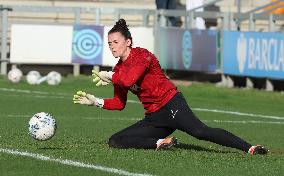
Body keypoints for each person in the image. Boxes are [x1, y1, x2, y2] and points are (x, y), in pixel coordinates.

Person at [73, 19, 268, 155]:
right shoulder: (119, 69)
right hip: (155, 118)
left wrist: (110, 75)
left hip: (172, 105)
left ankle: (249, 148)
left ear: (128, 42)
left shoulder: (142, 55)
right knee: (115, 140)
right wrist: (96, 101)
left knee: (201, 132)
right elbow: (119, 102)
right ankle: (160, 143)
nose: (112, 46)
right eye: (109, 43)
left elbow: (128, 78)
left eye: (116, 42)